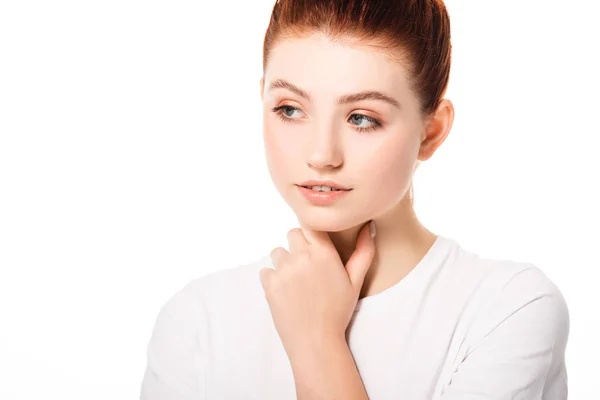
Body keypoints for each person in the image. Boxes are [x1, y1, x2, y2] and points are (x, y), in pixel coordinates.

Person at [140, 0, 570, 398]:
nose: (321, 155)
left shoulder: (506, 309)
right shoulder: (197, 321)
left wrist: (317, 343)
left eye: (361, 118)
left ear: (432, 131)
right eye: (290, 109)